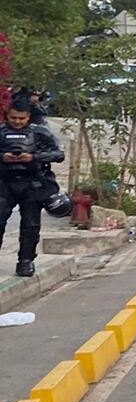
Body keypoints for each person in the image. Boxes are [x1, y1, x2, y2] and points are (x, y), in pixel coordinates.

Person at [0, 100, 65, 277]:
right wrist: (3, 157)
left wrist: (33, 157)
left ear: (28, 117)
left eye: (21, 118)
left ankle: (26, 261)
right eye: (13, 118)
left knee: (30, 225)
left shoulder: (39, 132)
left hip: (32, 184)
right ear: (8, 115)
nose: (17, 121)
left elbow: (59, 154)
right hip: (5, 184)